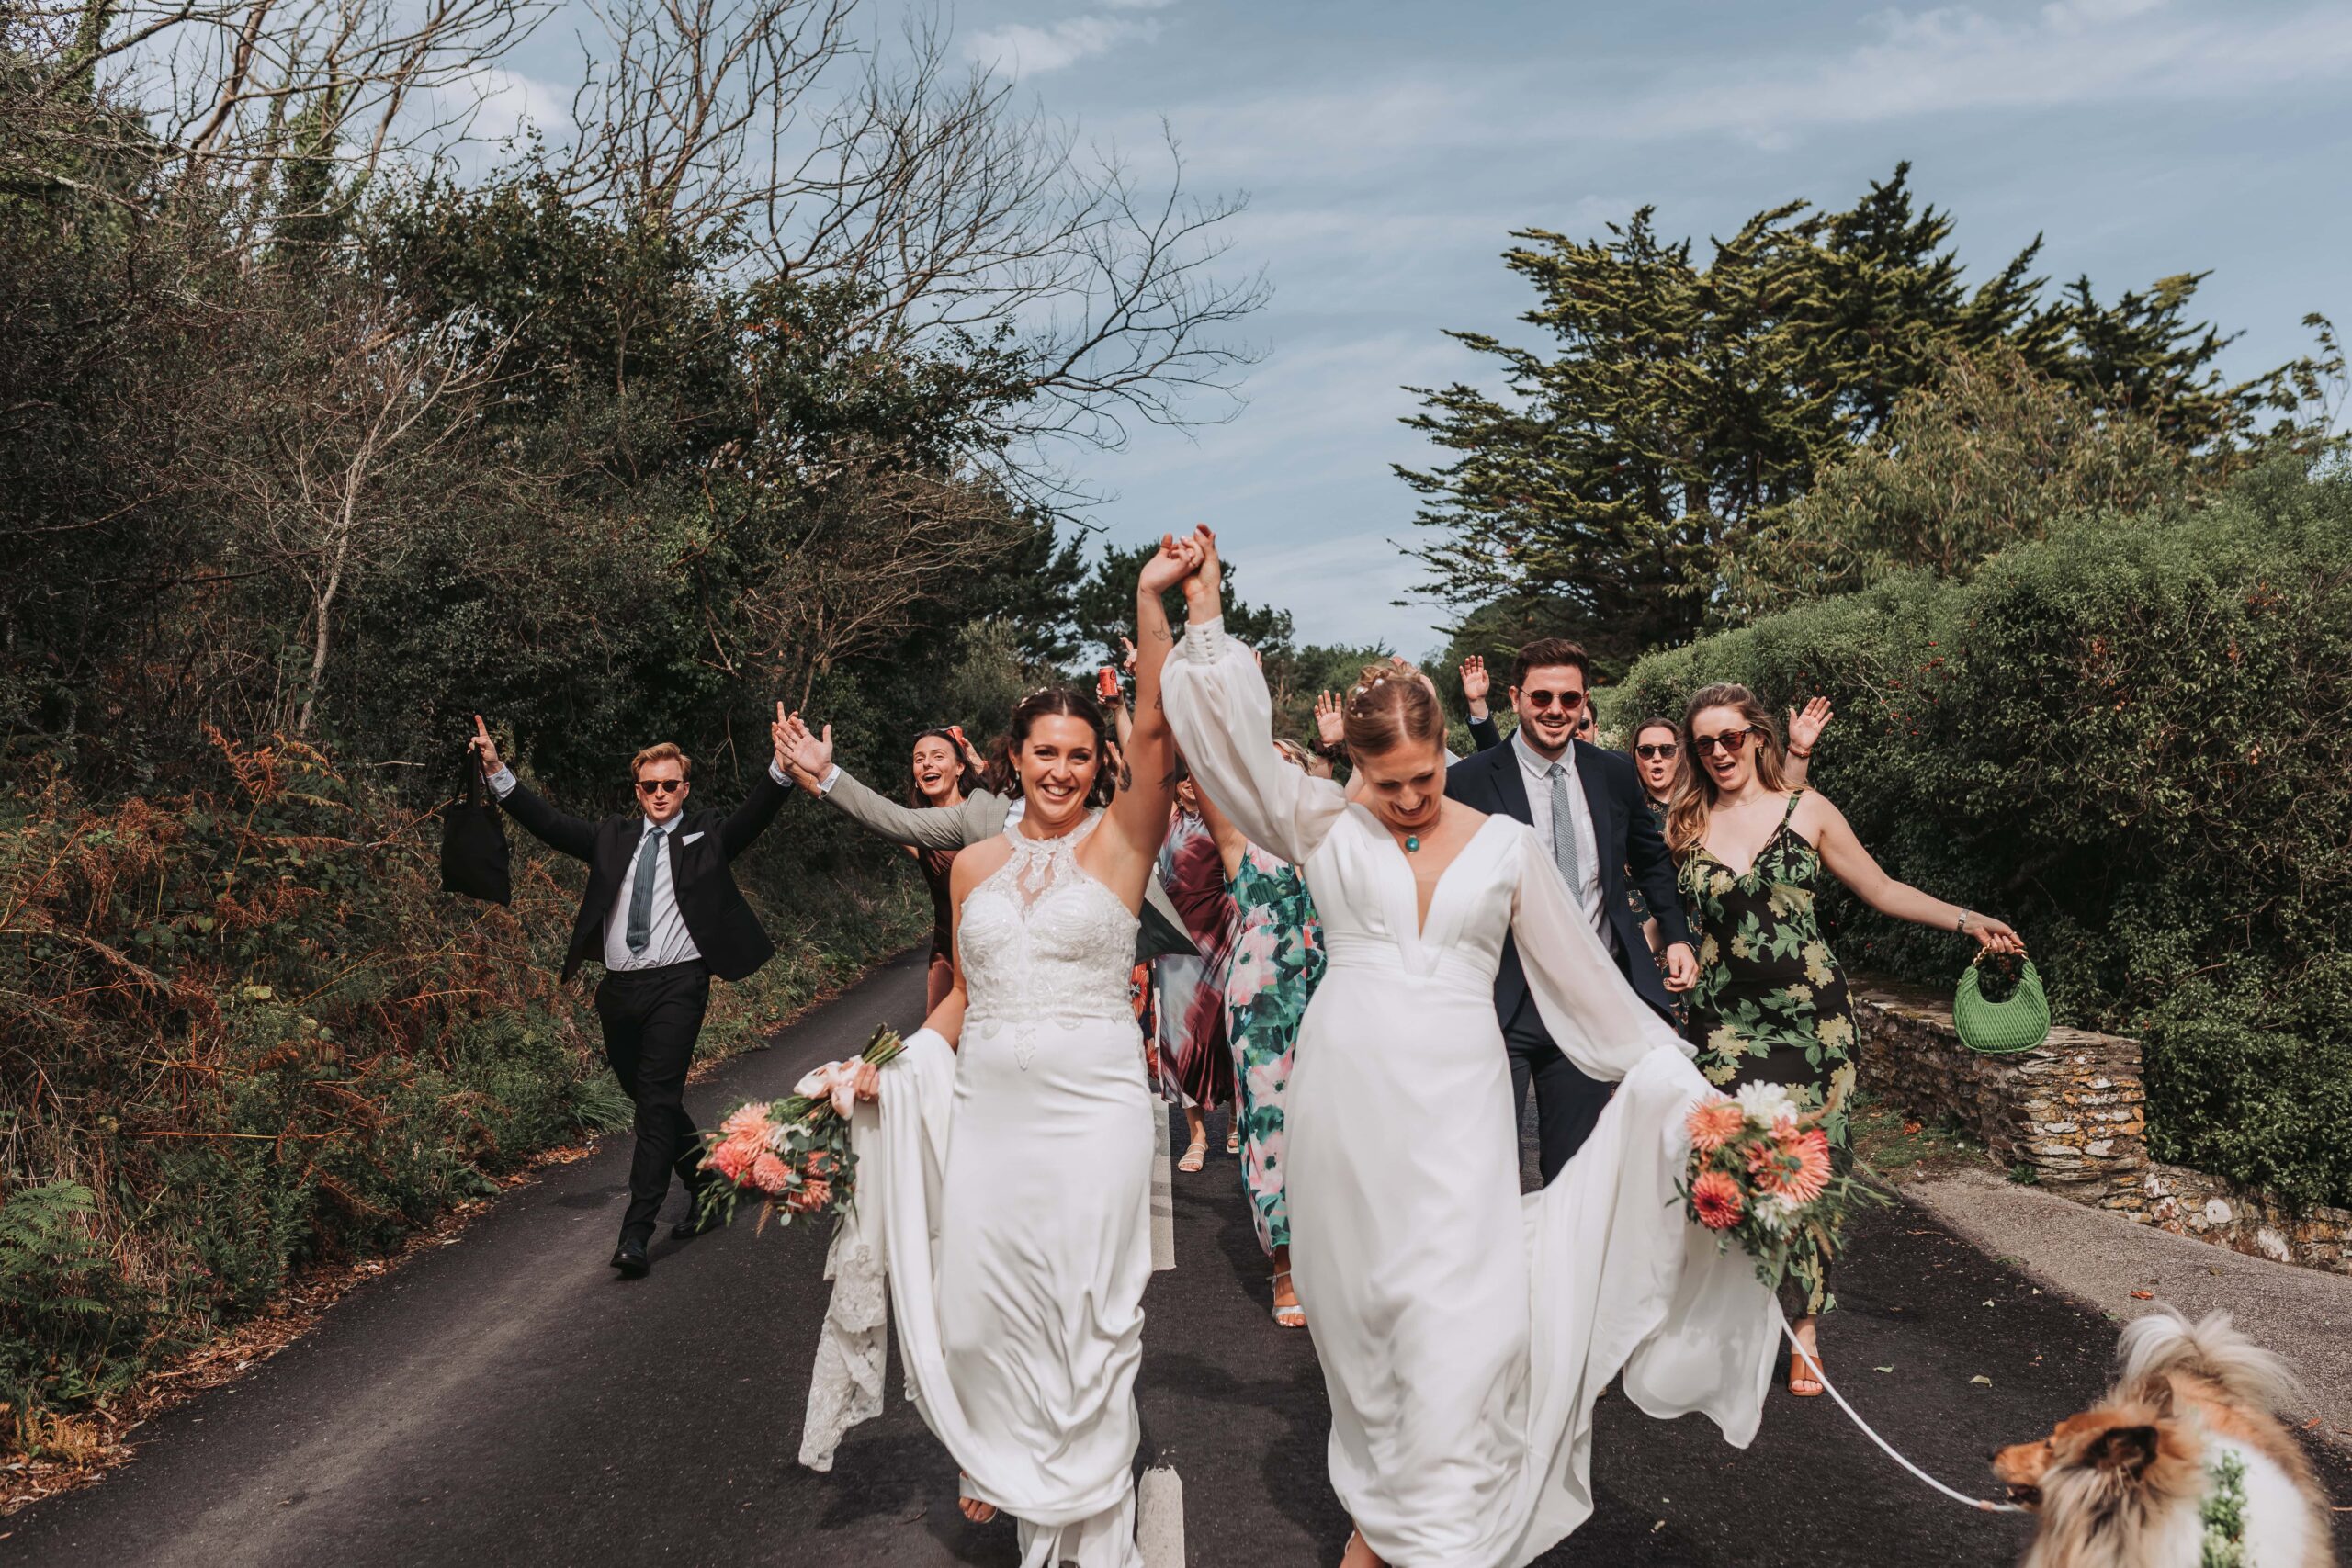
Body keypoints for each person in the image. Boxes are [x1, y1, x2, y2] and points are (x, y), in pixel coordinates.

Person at [1159, 529, 1777, 1568]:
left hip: (1458, 1105)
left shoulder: (1506, 846)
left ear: (1445, 745)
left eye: (1421, 777)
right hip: (1347, 1106)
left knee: (1469, 1322)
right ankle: (1388, 1520)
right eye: (1385, 779)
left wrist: (1698, 1096)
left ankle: (1421, 1537)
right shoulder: (1319, 826)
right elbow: (1222, 743)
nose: (1407, 800)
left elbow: (1591, 987)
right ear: (1355, 762)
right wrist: (1206, 613)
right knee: (1371, 1330)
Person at [800, 536, 1194, 1568]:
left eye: (1077, 754)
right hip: (993, 1113)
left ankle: (1083, 1522)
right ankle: (1014, 1458)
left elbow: (1153, 732)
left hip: (1097, 1108)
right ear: (1010, 760)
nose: (1061, 769)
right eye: (1044, 753)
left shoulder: (1121, 840)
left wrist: (1154, 602)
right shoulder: (971, 861)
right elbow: (967, 997)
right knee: (979, 1315)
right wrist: (892, 1064)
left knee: (1088, 1318)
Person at [1668, 682, 2020, 1397]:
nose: (1718, 752)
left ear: (1756, 737)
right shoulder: (1684, 823)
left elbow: (1882, 888)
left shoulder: (1807, 811)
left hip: (1813, 1028)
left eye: (1731, 737)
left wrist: (1966, 918)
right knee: (1734, 1176)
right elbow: (1667, 921)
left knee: (1807, 1176)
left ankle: (1806, 1326)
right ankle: (1740, 1315)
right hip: (1725, 1028)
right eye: (1704, 742)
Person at [466, 711, 795, 1279]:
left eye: (671, 785)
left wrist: (782, 769)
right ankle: (704, 1187)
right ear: (637, 790)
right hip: (619, 991)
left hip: (679, 983)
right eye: (650, 786)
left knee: (656, 1101)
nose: (661, 794)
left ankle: (636, 1232)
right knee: (653, 1102)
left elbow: (753, 816)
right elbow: (547, 823)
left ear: (685, 789)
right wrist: (498, 770)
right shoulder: (612, 836)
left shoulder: (706, 835)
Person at [1442, 638, 1697, 1183]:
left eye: (1569, 698)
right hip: (1498, 1001)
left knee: (1575, 1173)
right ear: (1515, 697)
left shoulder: (1612, 773)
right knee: (1485, 1169)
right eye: (1541, 697)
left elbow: (1651, 863)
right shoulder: (1467, 781)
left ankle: (1561, 1272)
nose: (1555, 710)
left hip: (1585, 994)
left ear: (1584, 702)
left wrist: (1676, 936)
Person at [1193, 744, 1325, 1327]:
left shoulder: (1334, 836)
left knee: (1336, 1124)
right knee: (1272, 1124)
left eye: (1282, 762)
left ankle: (1342, 1255)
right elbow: (1203, 769)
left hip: (1339, 987)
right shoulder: (1239, 840)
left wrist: (1332, 751)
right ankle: (1287, 1263)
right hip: (1263, 996)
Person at [1159, 758, 1238, 1170]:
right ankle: (1198, 1136)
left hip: (1223, 934)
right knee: (1181, 1035)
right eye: (1182, 776)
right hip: (1177, 944)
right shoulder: (1163, 823)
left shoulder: (1224, 818)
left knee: (1227, 1027)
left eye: (1197, 775)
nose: (1190, 783)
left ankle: (1234, 1123)